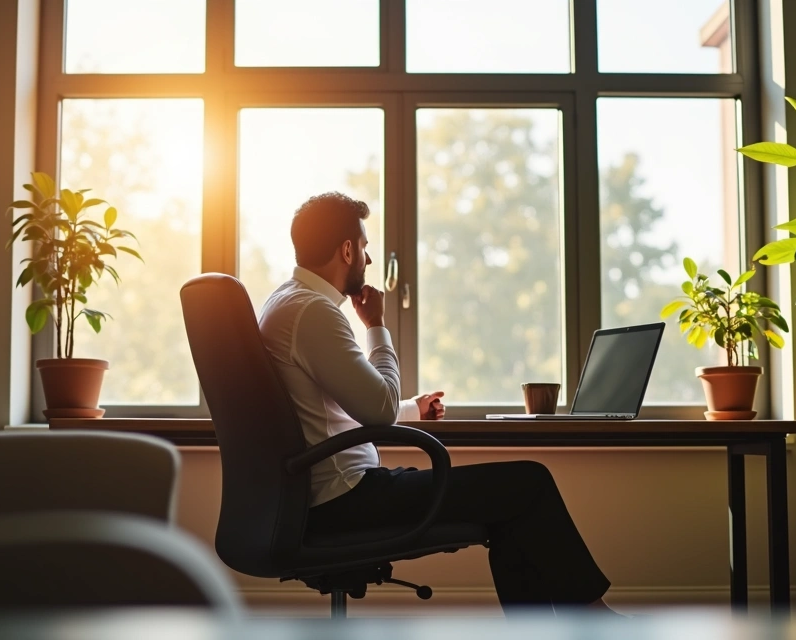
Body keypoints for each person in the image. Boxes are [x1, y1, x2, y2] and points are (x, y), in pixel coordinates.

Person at [257, 192, 615, 614]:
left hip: (330, 495)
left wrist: (414, 408)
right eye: (366, 248)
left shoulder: (286, 302)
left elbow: (342, 408)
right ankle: (599, 623)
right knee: (530, 482)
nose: (368, 260)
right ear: (347, 250)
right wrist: (376, 326)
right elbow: (380, 409)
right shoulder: (313, 312)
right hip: (347, 499)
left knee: (510, 507)